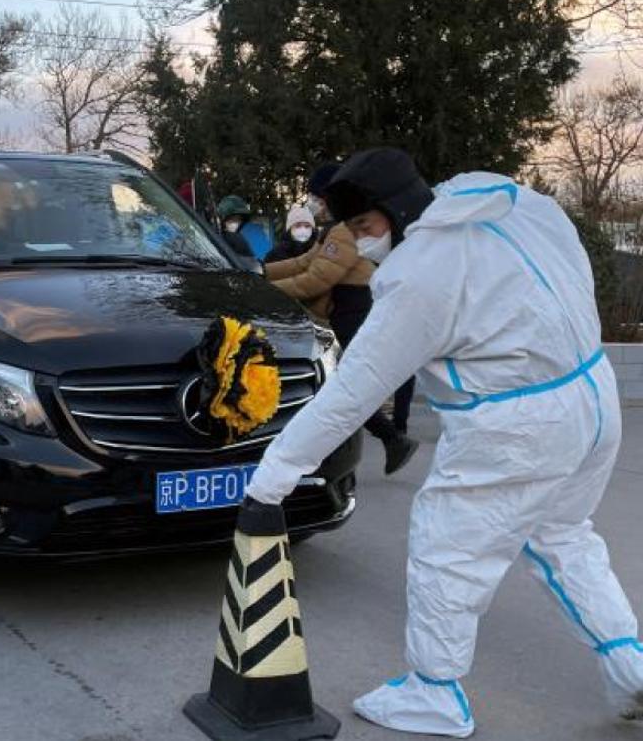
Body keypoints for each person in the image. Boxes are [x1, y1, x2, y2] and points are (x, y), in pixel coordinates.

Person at [246, 148, 642, 737]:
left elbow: (352, 392)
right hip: (591, 394)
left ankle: (434, 692)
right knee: (564, 536)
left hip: (516, 424)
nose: (363, 242)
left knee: (447, 550)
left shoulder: (423, 272)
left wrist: (272, 475)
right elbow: (573, 271)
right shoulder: (511, 206)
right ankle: (631, 663)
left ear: (395, 211)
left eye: (365, 227)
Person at [265, 201, 419, 475]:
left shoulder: (343, 232)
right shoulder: (333, 230)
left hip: (353, 313)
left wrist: (266, 289)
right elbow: (305, 261)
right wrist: (261, 271)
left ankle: (392, 439)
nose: (315, 204)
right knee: (342, 384)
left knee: (343, 386)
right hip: (345, 312)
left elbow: (315, 280)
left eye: (319, 198)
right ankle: (392, 440)